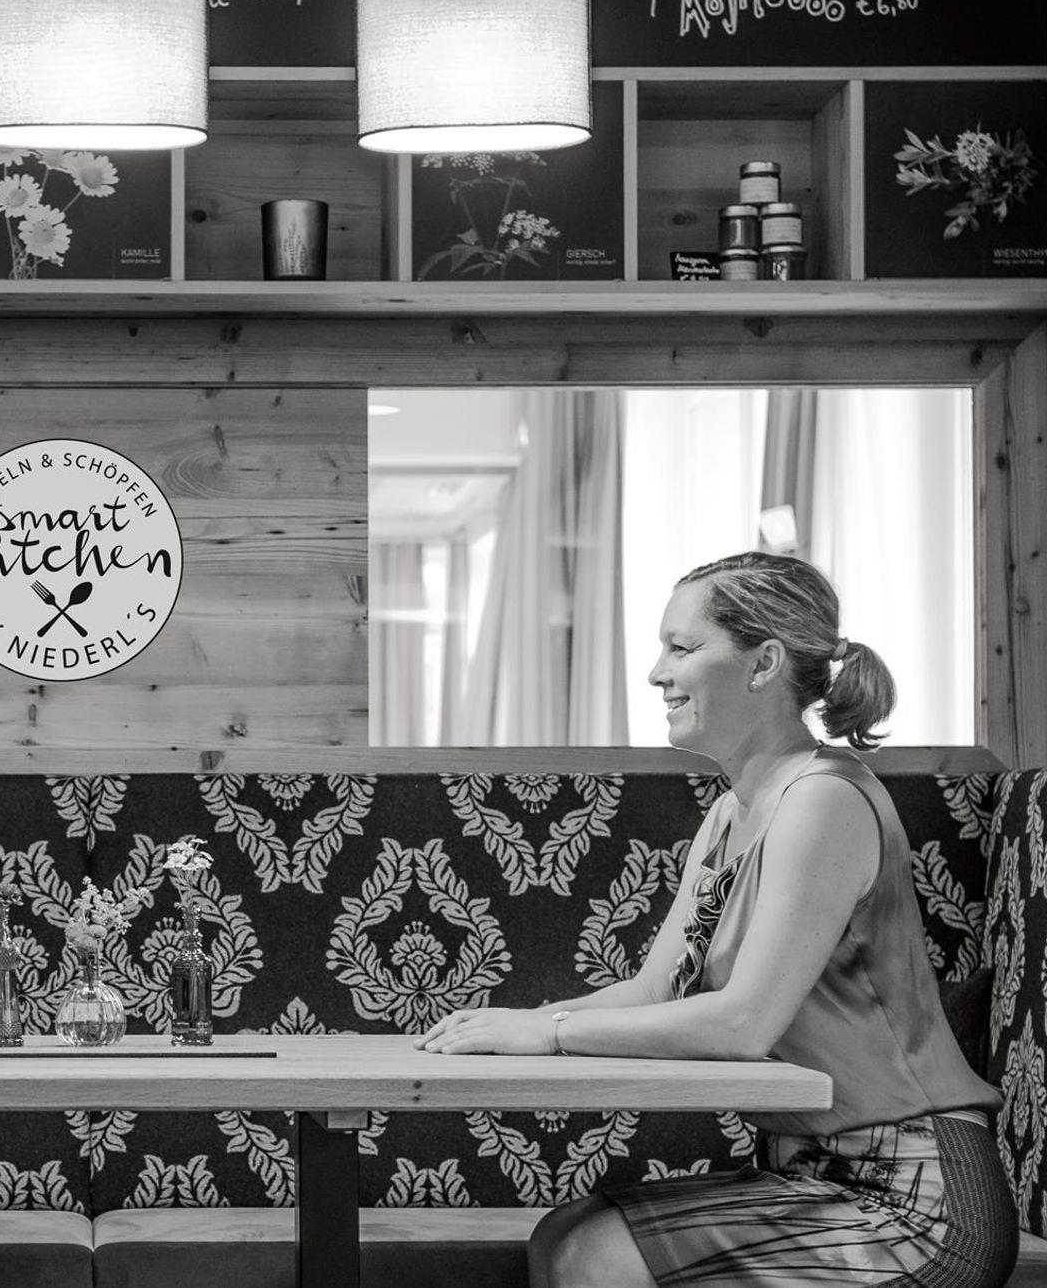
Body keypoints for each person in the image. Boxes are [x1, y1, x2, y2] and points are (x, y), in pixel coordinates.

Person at [416, 550, 1017, 1288]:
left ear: (763, 663)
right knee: (565, 1236)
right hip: (817, 1175)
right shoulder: (734, 809)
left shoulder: (822, 799)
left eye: (681, 647)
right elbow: (653, 990)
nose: (656, 673)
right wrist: (515, 1024)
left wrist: (550, 1034)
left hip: (916, 1202)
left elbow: (743, 1025)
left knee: (591, 1254)